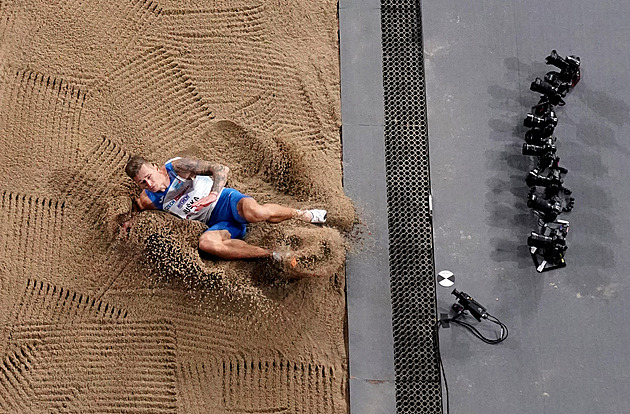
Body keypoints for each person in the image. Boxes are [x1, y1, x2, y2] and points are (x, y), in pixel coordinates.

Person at [121, 155, 327, 261]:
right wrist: (129, 221)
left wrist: (213, 194)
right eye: (142, 183)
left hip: (227, 201)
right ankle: (273, 254)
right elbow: (137, 209)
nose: (149, 184)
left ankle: (305, 215)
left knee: (257, 213)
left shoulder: (177, 167)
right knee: (206, 244)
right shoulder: (149, 199)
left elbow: (220, 169)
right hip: (217, 223)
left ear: (157, 169)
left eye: (149, 177)